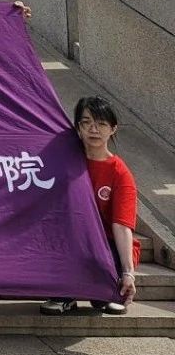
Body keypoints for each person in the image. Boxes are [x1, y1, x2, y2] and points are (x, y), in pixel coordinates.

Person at [41, 96, 139, 316]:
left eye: (101, 123)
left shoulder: (120, 173)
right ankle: (64, 296)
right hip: (71, 240)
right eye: (87, 122)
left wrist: (128, 272)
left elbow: (122, 225)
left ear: (113, 129)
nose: (94, 129)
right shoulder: (64, 162)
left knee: (104, 296)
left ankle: (107, 292)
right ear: (78, 127)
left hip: (106, 244)